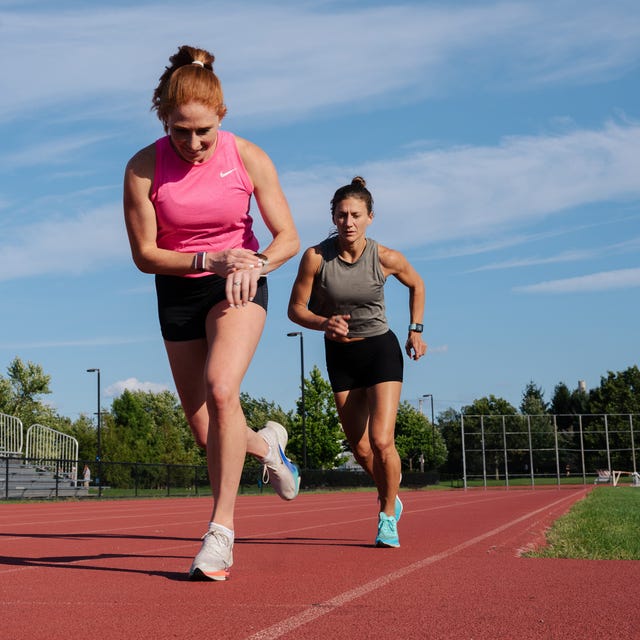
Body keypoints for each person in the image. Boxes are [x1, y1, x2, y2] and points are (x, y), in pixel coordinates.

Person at [123, 45, 301, 581]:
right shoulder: (142, 167)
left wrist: (255, 263)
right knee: (207, 432)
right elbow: (144, 255)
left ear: (221, 116)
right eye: (181, 131)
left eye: (203, 131)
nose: (194, 143)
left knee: (224, 390)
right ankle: (267, 445)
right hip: (179, 288)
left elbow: (287, 236)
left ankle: (219, 534)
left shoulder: (248, 157)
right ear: (164, 119)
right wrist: (207, 258)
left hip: (240, 285)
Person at [288, 176, 427, 548]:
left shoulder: (385, 258)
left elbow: (417, 284)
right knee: (360, 447)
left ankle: (386, 516)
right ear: (332, 218)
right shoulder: (316, 258)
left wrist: (415, 329)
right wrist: (323, 323)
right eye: (340, 215)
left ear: (369, 217)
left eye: (355, 215)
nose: (347, 222)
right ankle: (391, 493)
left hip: (381, 349)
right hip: (342, 354)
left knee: (383, 441)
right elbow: (295, 310)